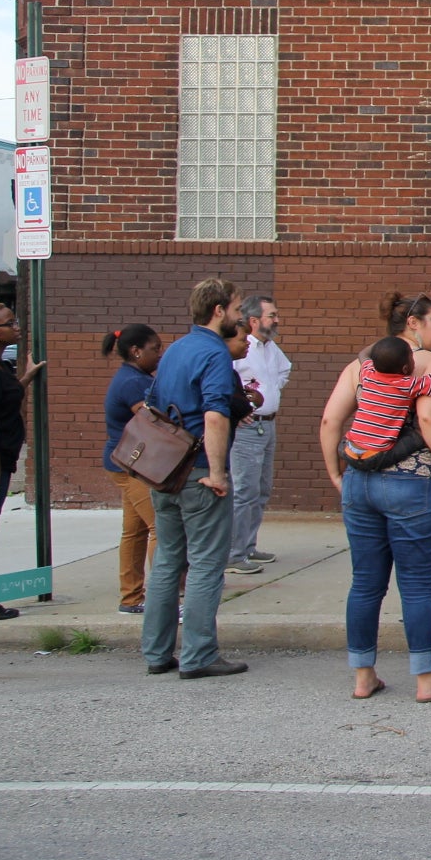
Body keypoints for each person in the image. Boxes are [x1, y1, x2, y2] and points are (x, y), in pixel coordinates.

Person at [318, 292, 431, 703]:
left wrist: (335, 472)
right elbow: (427, 415)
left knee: (365, 583)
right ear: (413, 324)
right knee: (417, 585)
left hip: (359, 481)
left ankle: (364, 676)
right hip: (412, 484)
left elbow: (331, 419)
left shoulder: (360, 365)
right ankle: (426, 679)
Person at [139, 279, 246, 677]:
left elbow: (153, 408)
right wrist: (217, 472)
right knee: (205, 564)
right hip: (198, 468)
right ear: (218, 311)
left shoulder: (176, 349)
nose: (238, 316)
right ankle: (200, 655)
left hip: (163, 471)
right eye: (235, 308)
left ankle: (156, 653)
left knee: (168, 561)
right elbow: (215, 414)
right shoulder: (214, 352)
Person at [225, 294, 289, 575]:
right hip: (248, 427)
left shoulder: (270, 347)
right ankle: (233, 553)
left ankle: (248, 546)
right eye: (271, 315)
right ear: (254, 321)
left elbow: (285, 370)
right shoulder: (240, 347)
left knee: (261, 489)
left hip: (268, 424)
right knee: (244, 491)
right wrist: (240, 407)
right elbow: (224, 380)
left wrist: (271, 391)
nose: (276, 320)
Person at [102, 325, 162, 616]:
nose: (159, 355)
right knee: (160, 529)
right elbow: (153, 422)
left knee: (135, 531)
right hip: (131, 465)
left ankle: (131, 598)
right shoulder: (131, 383)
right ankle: (166, 600)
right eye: (155, 349)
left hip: (126, 463)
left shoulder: (136, 377)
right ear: (136, 351)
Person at [0, 302, 45, 620]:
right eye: (9, 323)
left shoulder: (1, 366)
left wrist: (25, 378)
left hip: (5, 458)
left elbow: (4, 400)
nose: (17, 327)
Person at [343, 337, 431, 460]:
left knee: (344, 445)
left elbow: (362, 354)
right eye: (412, 358)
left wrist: (386, 340)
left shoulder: (368, 373)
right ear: (405, 369)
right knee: (418, 435)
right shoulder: (407, 384)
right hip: (376, 455)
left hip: (350, 449)